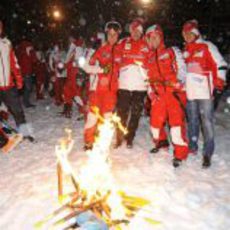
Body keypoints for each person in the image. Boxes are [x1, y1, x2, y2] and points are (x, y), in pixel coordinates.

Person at [182, 20, 227, 168]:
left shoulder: (207, 46)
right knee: (192, 120)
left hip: (205, 92)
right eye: (185, 34)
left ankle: (208, 152)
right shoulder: (186, 50)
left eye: (190, 33)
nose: (187, 36)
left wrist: (220, 79)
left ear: (195, 33)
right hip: (191, 93)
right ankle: (193, 146)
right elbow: (184, 71)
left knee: (207, 122)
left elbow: (221, 64)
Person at [145, 24, 188, 167]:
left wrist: (179, 84)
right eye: (150, 38)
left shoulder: (171, 51)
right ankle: (162, 143)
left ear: (160, 36)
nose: (153, 40)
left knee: (176, 127)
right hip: (159, 96)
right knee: (154, 125)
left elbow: (182, 68)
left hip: (173, 95)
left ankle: (180, 154)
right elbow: (148, 79)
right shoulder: (149, 57)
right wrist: (151, 93)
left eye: (155, 37)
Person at [82, 21, 122, 150]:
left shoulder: (121, 50)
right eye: (110, 34)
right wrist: (101, 69)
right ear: (106, 34)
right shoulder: (99, 49)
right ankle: (88, 142)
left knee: (107, 119)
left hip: (111, 92)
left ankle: (104, 142)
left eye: (115, 35)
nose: (112, 37)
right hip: (97, 90)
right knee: (92, 117)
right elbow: (86, 66)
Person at [114, 18, 149, 149]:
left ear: (141, 33)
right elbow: (116, 58)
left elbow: (150, 63)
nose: (136, 33)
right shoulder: (123, 42)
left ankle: (130, 138)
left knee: (135, 114)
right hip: (124, 85)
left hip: (139, 87)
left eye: (138, 31)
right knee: (121, 113)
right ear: (130, 31)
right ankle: (119, 137)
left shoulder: (146, 45)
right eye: (134, 31)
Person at [0, 20, 34, 141]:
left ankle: (25, 133)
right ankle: (2, 138)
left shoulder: (6, 43)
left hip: (9, 85)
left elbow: (14, 63)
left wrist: (19, 78)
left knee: (18, 111)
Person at [62, 36, 84, 118]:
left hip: (75, 77)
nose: (69, 41)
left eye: (71, 39)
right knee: (67, 93)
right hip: (70, 76)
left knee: (77, 95)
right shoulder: (72, 49)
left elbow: (79, 63)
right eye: (69, 39)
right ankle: (68, 110)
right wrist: (63, 66)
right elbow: (68, 62)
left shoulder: (77, 49)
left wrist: (79, 74)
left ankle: (83, 111)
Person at [16, 37, 37, 107]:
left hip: (27, 72)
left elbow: (34, 60)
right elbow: (20, 62)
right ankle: (25, 102)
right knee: (27, 88)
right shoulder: (22, 51)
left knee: (26, 88)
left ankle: (24, 101)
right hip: (24, 73)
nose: (31, 47)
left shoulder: (26, 52)